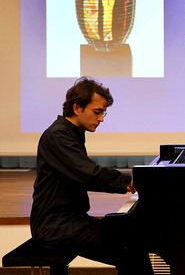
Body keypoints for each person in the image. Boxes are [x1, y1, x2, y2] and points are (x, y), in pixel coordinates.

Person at [30, 77, 154, 275]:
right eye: (97, 112)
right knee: (130, 249)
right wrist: (129, 182)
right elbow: (87, 173)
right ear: (77, 108)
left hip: (72, 220)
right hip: (55, 226)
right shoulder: (57, 135)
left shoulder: (72, 133)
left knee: (132, 242)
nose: (102, 118)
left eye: (103, 113)